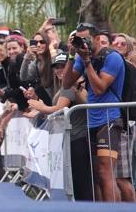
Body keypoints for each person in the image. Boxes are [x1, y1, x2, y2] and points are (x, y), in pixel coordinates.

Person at [63, 22, 125, 202]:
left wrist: (87, 62)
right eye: (79, 39)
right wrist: (71, 55)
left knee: (106, 173)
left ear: (98, 39)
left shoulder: (112, 57)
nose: (83, 43)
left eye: (86, 39)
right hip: (92, 121)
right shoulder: (81, 56)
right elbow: (66, 83)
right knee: (96, 174)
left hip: (110, 119)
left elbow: (99, 89)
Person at [27, 53, 92, 201]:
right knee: (76, 181)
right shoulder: (66, 85)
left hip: (78, 138)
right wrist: (40, 107)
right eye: (56, 67)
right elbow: (56, 108)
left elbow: (58, 109)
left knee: (81, 182)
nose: (59, 70)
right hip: (72, 138)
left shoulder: (70, 85)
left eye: (63, 66)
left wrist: (40, 106)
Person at [20, 32, 54, 101]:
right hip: (49, 101)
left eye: (42, 42)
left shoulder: (55, 55)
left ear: (47, 43)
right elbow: (23, 77)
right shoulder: (35, 63)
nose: (38, 45)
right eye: (35, 43)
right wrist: (26, 57)